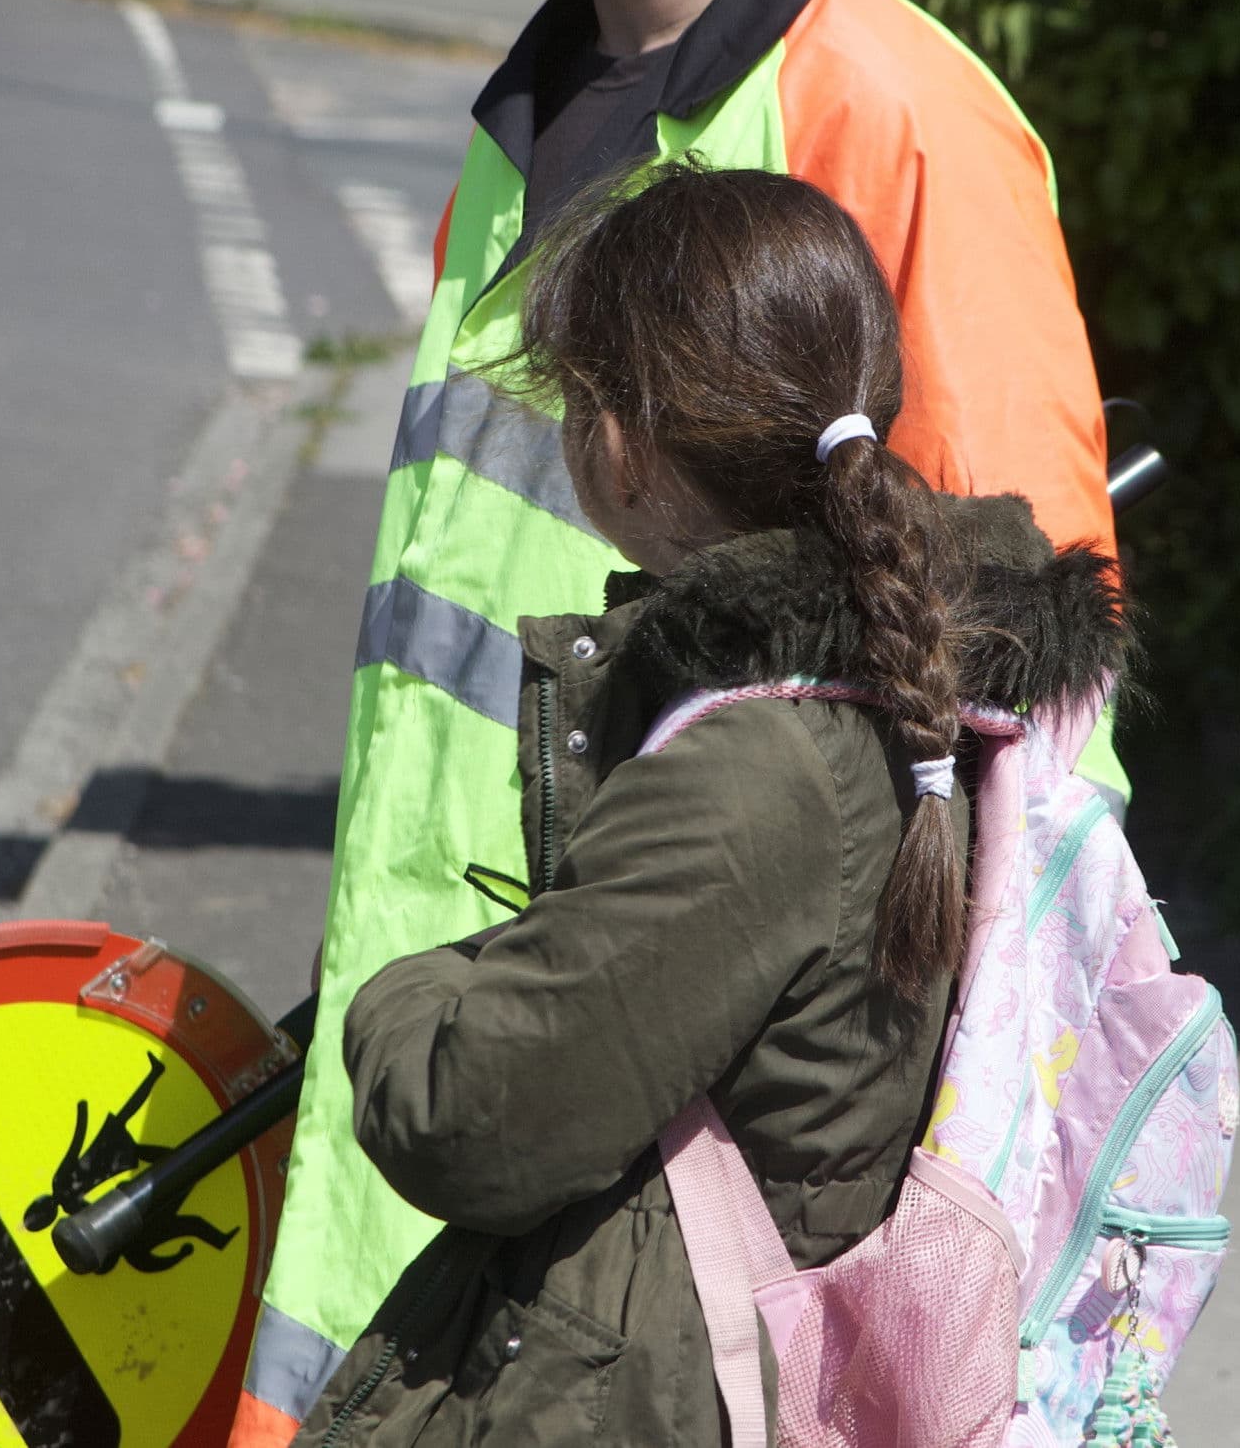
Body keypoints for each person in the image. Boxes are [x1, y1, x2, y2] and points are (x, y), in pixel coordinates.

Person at [241, 0, 1123, 1440]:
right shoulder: (529, 122)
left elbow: (1035, 708)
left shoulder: (902, 117)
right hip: (460, 1128)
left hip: (675, 1255)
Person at [287, 167, 1128, 1446]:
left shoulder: (761, 767)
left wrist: (403, 986)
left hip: (667, 1391)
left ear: (619, 442)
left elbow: (474, 1117)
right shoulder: (930, 675)